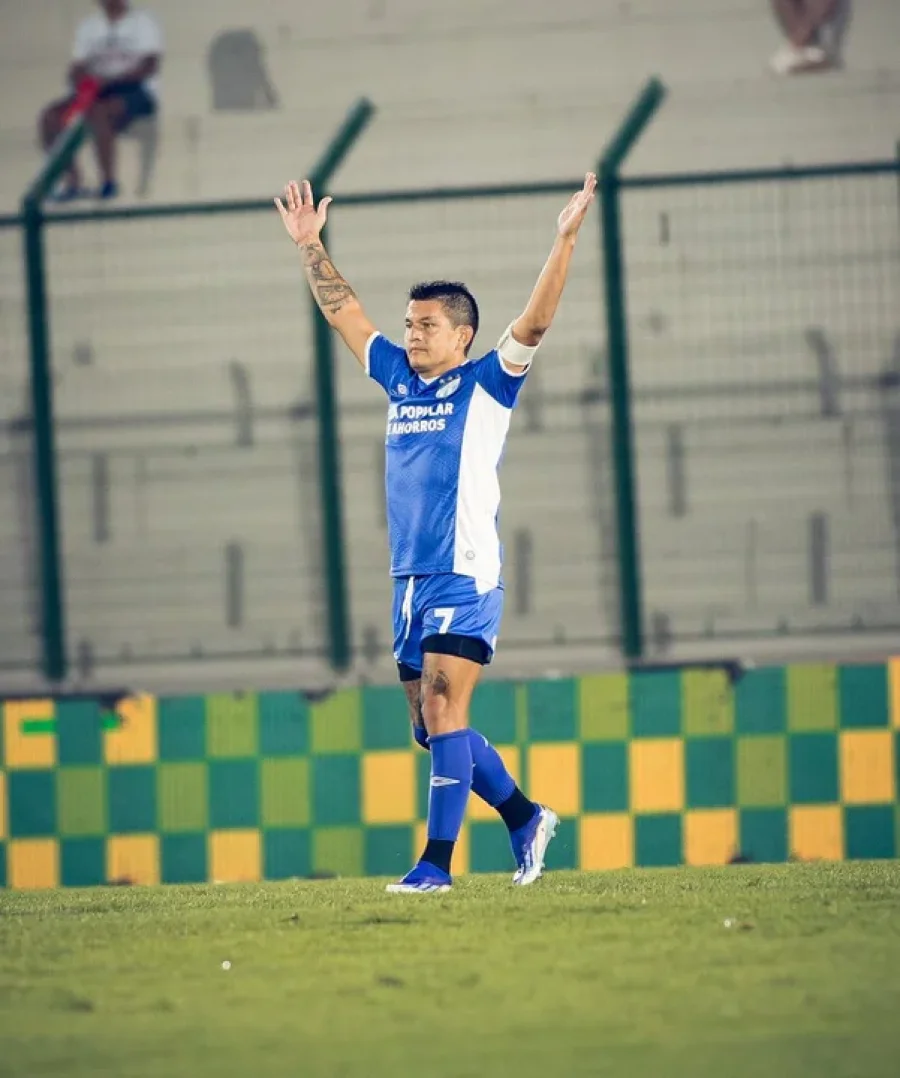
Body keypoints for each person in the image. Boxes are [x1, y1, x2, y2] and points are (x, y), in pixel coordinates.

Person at [276, 173, 597, 893]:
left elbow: (536, 324)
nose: (412, 334)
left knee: (450, 708)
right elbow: (347, 315)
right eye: (411, 323)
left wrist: (565, 238)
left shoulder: (490, 381)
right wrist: (310, 247)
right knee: (430, 727)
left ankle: (436, 866)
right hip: (409, 577)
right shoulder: (397, 378)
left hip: (465, 570)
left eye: (427, 325)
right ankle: (523, 815)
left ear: (464, 334)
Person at [38, 0, 163, 201]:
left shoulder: (142, 22)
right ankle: (73, 182)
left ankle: (108, 183)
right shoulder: (89, 26)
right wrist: (83, 81)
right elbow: (77, 67)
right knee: (50, 117)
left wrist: (111, 80)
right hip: (94, 90)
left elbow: (150, 66)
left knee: (98, 112)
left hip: (134, 91)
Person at [769, 0, 849, 74]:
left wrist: (798, 40)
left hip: (826, 32)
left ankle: (820, 55)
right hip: (801, 42)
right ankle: (801, 50)